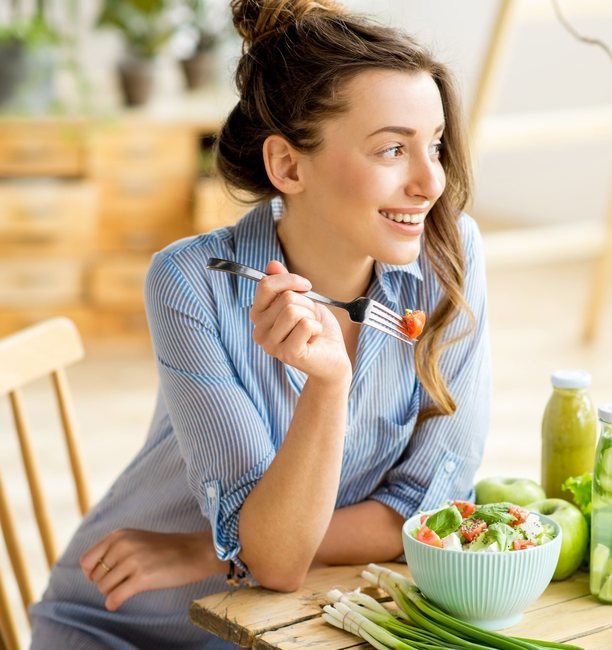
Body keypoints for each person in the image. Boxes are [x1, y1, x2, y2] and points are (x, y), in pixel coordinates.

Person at [30, 1, 490, 647]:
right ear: (288, 167)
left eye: (434, 146)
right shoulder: (191, 282)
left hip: (285, 626)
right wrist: (328, 386)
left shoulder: (452, 257)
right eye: (392, 149)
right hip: (127, 625)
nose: (430, 182)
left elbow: (429, 512)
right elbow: (275, 561)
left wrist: (212, 551)